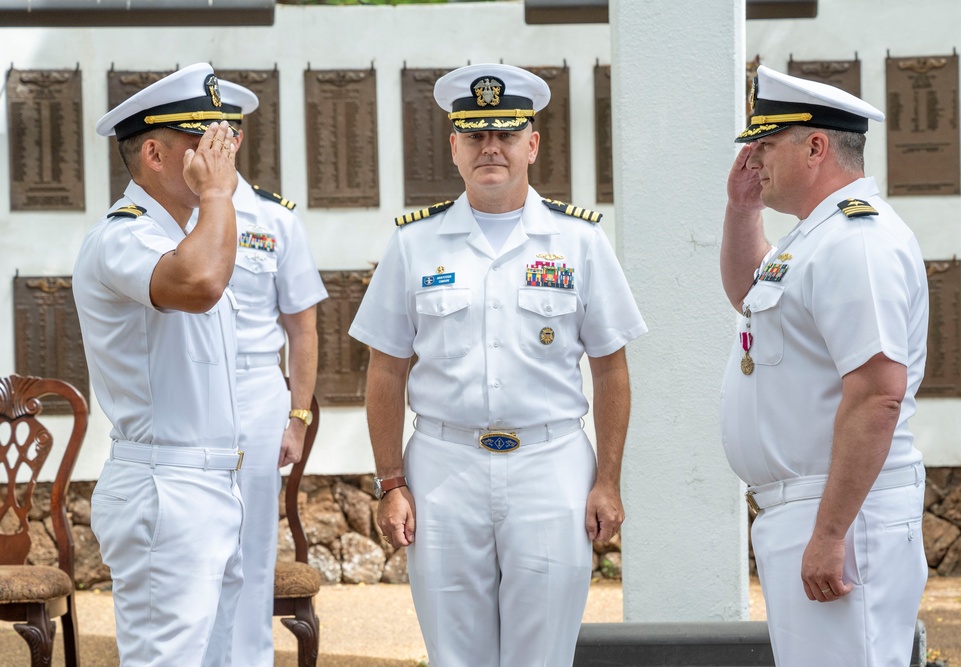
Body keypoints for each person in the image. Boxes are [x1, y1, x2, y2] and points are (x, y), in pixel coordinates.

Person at [349, 63, 647, 667]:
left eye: (507, 134)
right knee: (455, 653)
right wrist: (391, 482)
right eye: (476, 135)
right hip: (442, 468)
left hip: (551, 464)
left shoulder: (580, 241)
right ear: (454, 145)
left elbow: (611, 369)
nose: (492, 148)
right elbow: (385, 370)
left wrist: (607, 479)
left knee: (543, 653)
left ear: (531, 145)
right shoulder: (414, 244)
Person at [720, 64, 929, 666]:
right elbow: (749, 297)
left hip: (841, 513)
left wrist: (832, 533)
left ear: (814, 146)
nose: (753, 158)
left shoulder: (857, 241)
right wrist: (741, 211)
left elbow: (877, 394)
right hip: (812, 509)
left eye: (765, 144)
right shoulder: (815, 235)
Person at [73, 62, 245, 666]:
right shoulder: (121, 237)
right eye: (207, 142)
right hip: (165, 488)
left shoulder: (195, 231)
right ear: (154, 153)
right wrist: (220, 194)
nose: (223, 156)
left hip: (211, 484)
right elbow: (197, 283)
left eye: (229, 139)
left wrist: (215, 203)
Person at [189, 79, 328, 666]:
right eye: (196, 135)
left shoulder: (274, 220)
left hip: (254, 389)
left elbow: (303, 328)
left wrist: (297, 417)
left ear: (238, 138)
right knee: (190, 545)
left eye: (218, 134)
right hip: (187, 388)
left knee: (250, 548)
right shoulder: (160, 215)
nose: (207, 147)